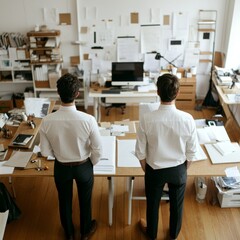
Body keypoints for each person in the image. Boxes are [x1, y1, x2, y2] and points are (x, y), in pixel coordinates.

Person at [135, 73, 198, 240]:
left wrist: (146, 168)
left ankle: (152, 234)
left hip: (154, 170)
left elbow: (140, 151)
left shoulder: (147, 119)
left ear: (157, 92)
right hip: (178, 170)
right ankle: (173, 234)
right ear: (177, 93)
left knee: (152, 204)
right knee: (177, 205)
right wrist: (183, 169)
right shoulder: (188, 119)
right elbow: (192, 152)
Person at [39, 73, 102, 240]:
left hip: (61, 167)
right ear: (77, 94)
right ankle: (85, 231)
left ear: (58, 93)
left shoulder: (46, 121)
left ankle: (68, 233)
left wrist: (60, 154)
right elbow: (98, 149)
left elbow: (44, 152)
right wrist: (90, 163)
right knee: (85, 201)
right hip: (83, 166)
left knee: (64, 201)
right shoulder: (88, 119)